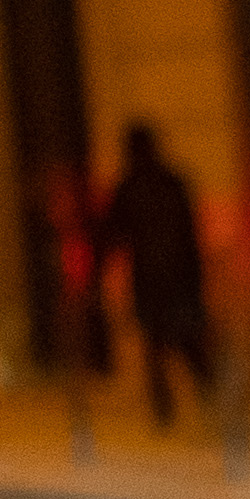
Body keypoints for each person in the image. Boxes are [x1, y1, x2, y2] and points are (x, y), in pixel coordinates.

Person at [96, 123, 213, 430]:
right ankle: (204, 392)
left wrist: (100, 269)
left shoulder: (130, 186)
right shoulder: (173, 182)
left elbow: (113, 233)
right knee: (182, 340)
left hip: (151, 278)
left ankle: (168, 407)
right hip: (179, 276)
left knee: (159, 344)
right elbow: (191, 232)